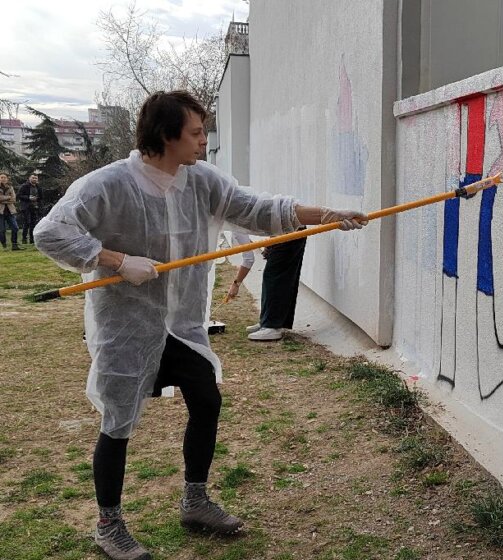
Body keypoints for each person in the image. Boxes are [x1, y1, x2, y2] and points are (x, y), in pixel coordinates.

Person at [34, 90, 367, 560]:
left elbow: (258, 208)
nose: (202, 143)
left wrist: (326, 214)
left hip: (182, 324)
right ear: (167, 135)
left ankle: (195, 500)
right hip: (126, 325)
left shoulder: (202, 181)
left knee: (207, 400)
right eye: (194, 134)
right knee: (118, 422)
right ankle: (108, 524)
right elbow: (50, 232)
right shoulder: (105, 185)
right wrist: (115, 260)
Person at [245, 234, 307, 341]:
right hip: (284, 233)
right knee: (271, 278)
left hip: (290, 233)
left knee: (276, 279)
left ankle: (272, 326)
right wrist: (271, 242)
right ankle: (266, 321)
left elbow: (280, 218)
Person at [17, 173, 40, 244]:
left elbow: (41, 197)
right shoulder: (24, 186)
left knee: (33, 223)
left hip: (35, 207)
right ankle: (24, 239)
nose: (34, 179)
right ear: (29, 178)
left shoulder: (38, 187)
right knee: (27, 223)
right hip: (26, 207)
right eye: (33, 178)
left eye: (36, 178)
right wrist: (28, 198)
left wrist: (38, 201)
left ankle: (32, 239)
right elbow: (19, 195)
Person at [0, 174, 20, 250]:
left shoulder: (10, 187)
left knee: (15, 228)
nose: (3, 179)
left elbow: (13, 199)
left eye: (5, 177)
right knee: (1, 230)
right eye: (1, 177)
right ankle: (4, 243)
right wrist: (8, 197)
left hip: (10, 211)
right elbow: (9, 198)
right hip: (0, 212)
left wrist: (3, 200)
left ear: (7, 179)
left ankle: (14, 245)